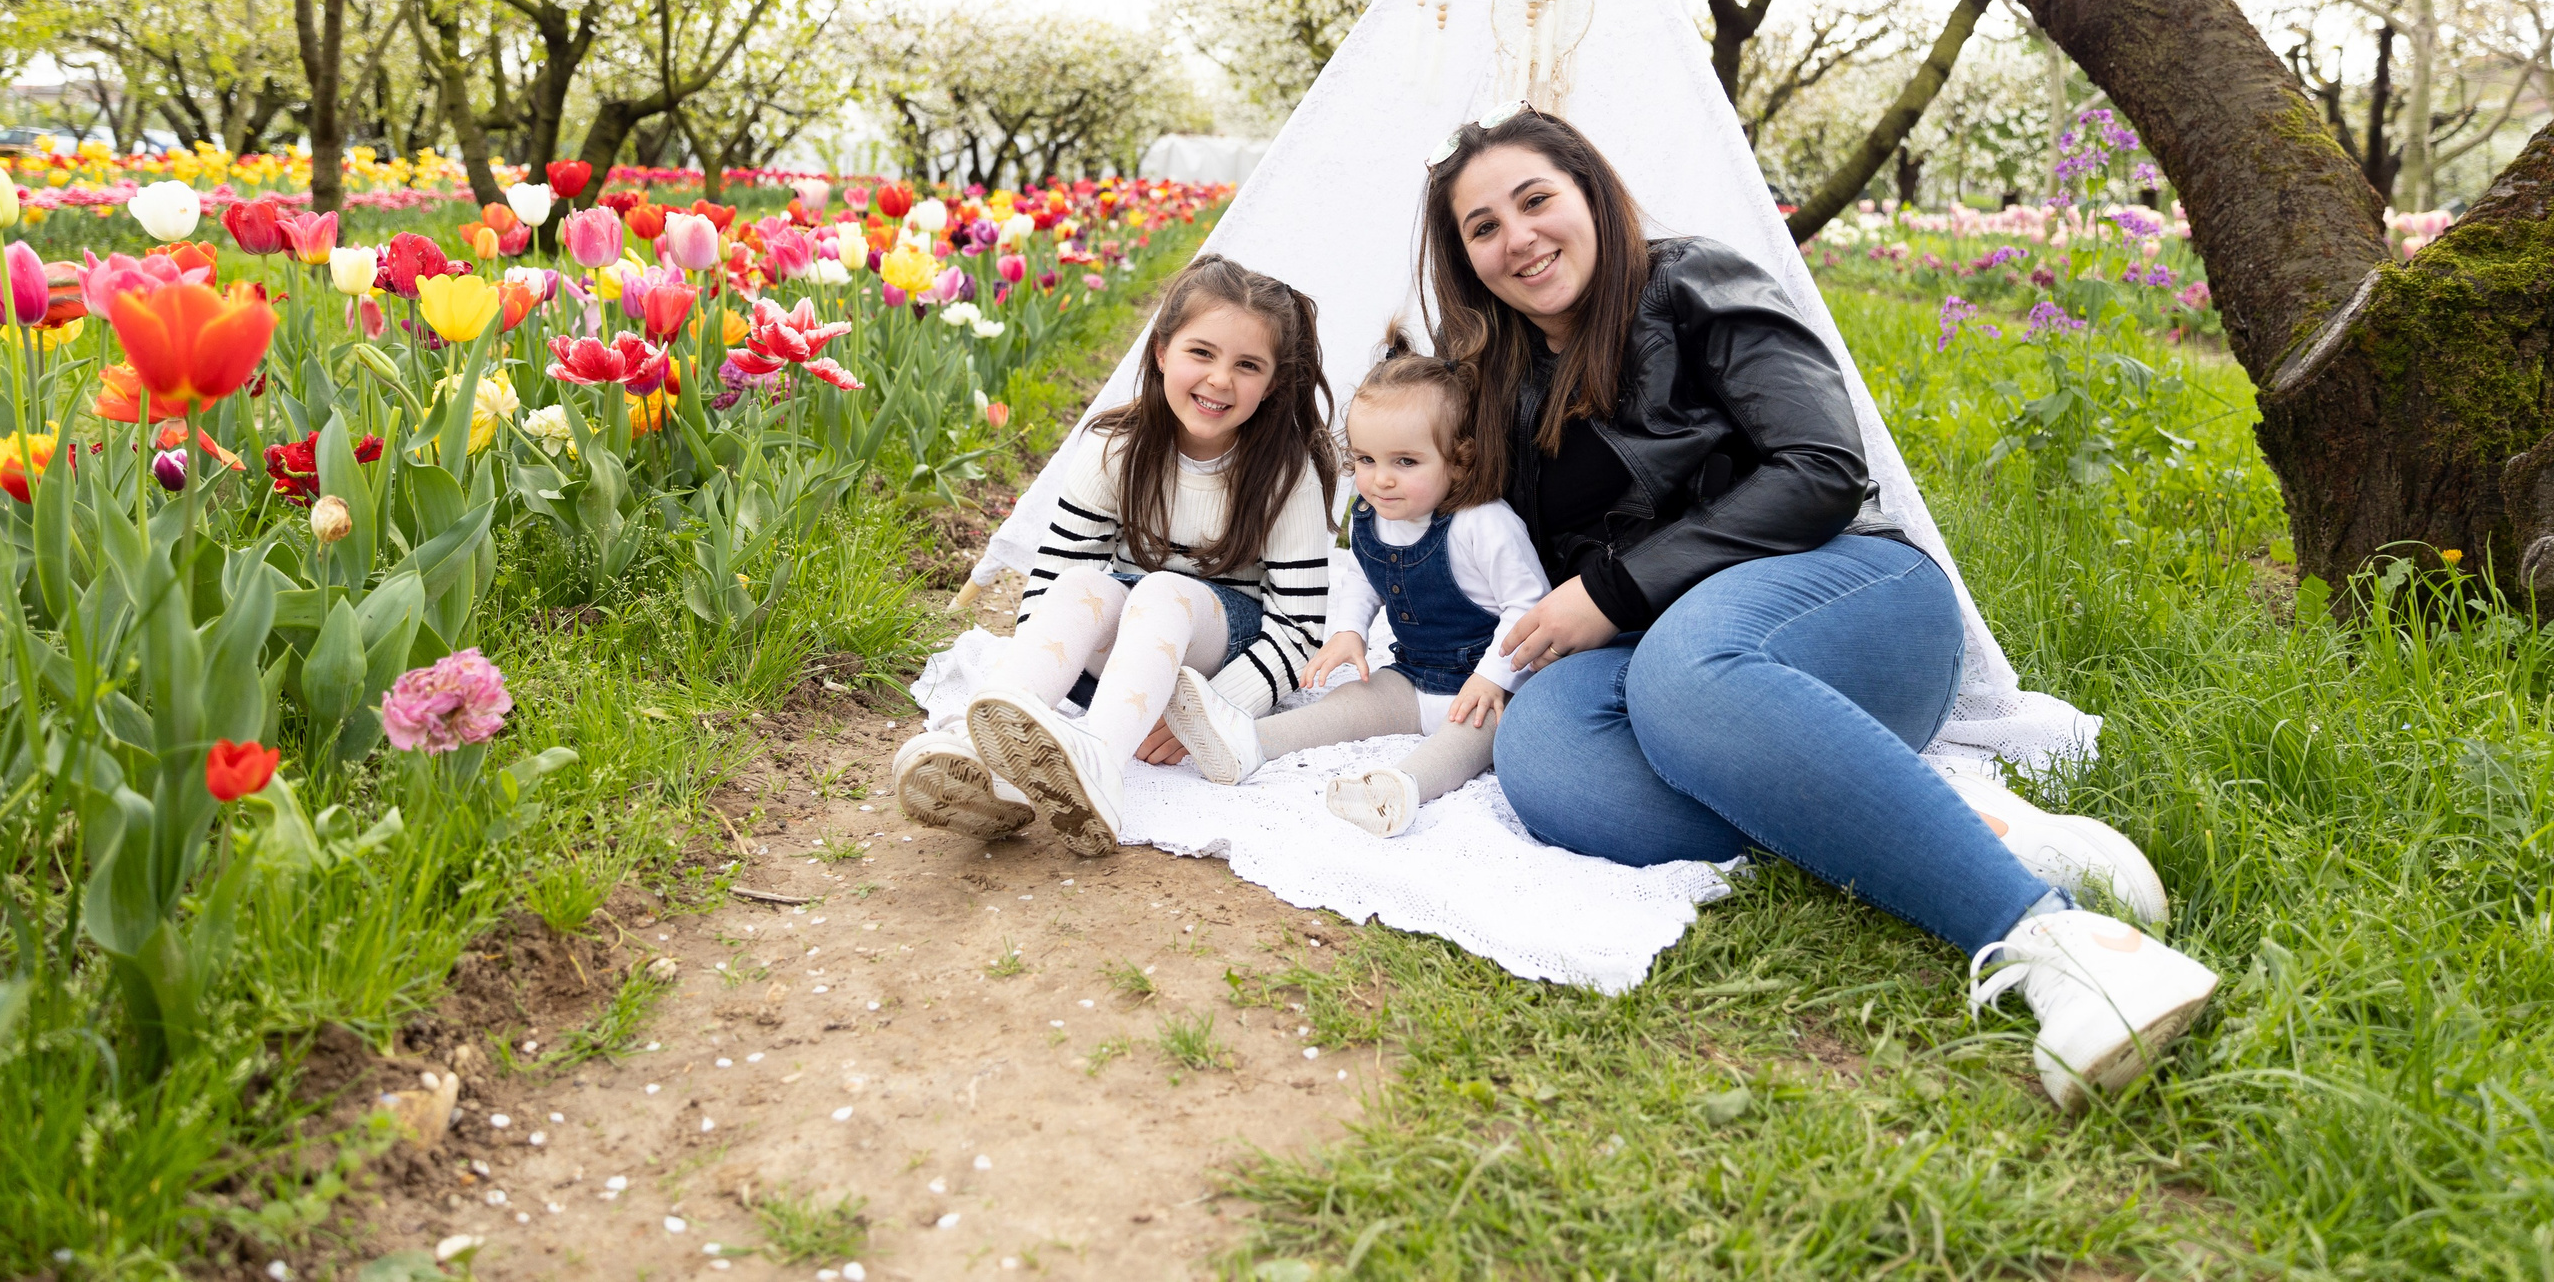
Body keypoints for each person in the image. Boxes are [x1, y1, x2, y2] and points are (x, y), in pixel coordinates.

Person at [1425, 103, 2216, 1112]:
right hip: (1678, 656)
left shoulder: (1693, 281)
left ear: (1589, 193)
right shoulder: (1502, 381)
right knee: (1549, 761)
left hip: (1848, 592)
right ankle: (1966, 821)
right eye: (1481, 226)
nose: (1516, 237)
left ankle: (2061, 945)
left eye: (1535, 199)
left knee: (1681, 676)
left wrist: (1616, 592)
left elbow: (1820, 467)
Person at [893, 255, 1337, 857]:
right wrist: (1040, 672)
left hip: (1212, 651)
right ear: (1160, 352)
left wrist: (1207, 714)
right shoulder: (1116, 446)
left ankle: (1099, 759)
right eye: (1201, 353)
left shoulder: (1287, 475)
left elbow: (1301, 626)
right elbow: (1053, 575)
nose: (1220, 380)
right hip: (1124, 657)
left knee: (1159, 592)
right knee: (1083, 589)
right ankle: (985, 749)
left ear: (1274, 383)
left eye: (1248, 365)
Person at [1166, 326, 1549, 837]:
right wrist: (1349, 631)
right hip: (1414, 674)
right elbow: (1363, 576)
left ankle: (1401, 788)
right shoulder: (1372, 512)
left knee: (1468, 737)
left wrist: (1492, 678)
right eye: (1366, 460)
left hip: (1494, 687)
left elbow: (1528, 608)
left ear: (1460, 461)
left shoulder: (1485, 523)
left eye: (1405, 462)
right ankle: (1247, 742)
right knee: (1350, 705)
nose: (1380, 479)